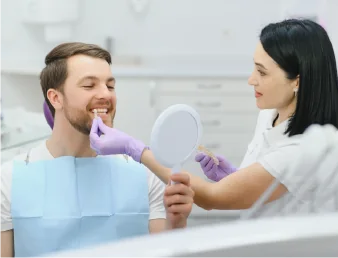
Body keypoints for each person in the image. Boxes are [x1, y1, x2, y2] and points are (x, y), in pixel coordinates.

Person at [88, 19, 338, 216]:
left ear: (297, 82)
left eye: (262, 72)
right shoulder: (271, 113)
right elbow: (272, 184)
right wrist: (236, 177)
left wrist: (134, 148)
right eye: (253, 67)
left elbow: (212, 198)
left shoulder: (304, 150)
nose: (251, 80)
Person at [0, 42, 194, 258]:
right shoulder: (9, 180)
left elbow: (164, 252)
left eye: (110, 86)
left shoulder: (146, 175)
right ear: (55, 98)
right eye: (89, 85)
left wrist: (176, 224)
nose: (106, 95)